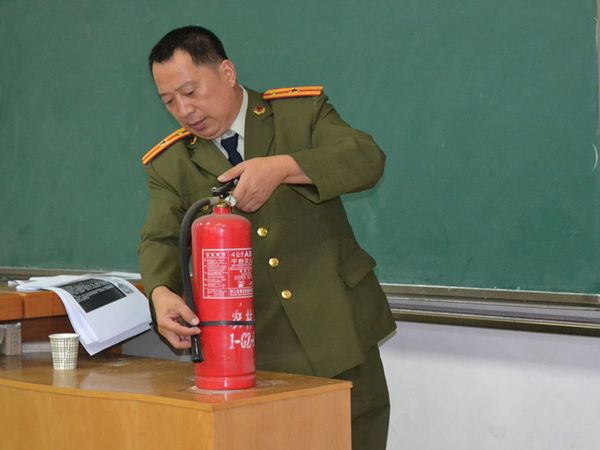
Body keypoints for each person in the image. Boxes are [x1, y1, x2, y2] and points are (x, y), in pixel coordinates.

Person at [139, 25, 396, 450]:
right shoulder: (171, 163)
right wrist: (161, 292)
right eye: (169, 101)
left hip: (339, 337)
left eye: (191, 91)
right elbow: (160, 239)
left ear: (226, 72)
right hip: (250, 356)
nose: (185, 110)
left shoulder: (300, 115)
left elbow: (366, 159)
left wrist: (284, 167)